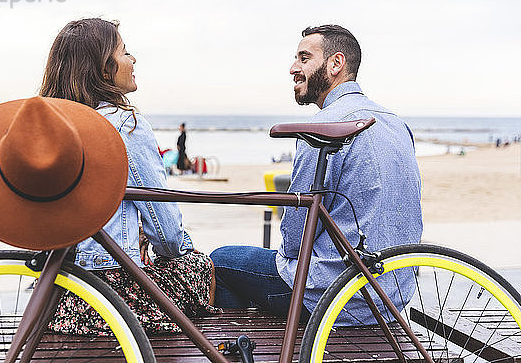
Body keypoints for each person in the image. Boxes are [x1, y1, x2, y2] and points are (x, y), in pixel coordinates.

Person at [211, 25, 422, 325]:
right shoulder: (396, 123)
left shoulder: (324, 126)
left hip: (336, 295)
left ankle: (259, 346)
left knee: (221, 261)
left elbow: (295, 241)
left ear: (336, 64)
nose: (293, 68)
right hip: (391, 295)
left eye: (304, 58)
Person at [40, 18, 220, 334]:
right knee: (201, 266)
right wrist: (180, 251)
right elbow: (167, 235)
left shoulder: (51, 124)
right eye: (125, 52)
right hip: (114, 299)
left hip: (60, 297)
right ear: (103, 69)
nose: (133, 59)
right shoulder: (125, 126)